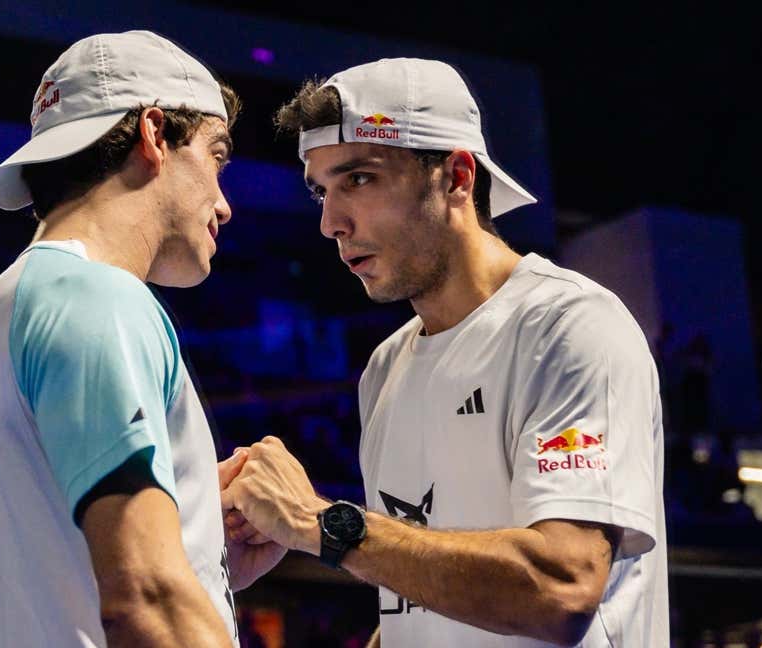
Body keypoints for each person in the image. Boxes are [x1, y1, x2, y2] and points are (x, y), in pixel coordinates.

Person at [220, 58, 668, 646]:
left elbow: (561, 586)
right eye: (321, 192)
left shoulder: (570, 327)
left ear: (457, 176)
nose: (331, 222)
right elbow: (417, 612)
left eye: (358, 179)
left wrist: (317, 524)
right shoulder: (383, 370)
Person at [0, 30, 284, 647]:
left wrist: (195, 537)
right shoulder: (96, 297)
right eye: (216, 155)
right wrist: (167, 572)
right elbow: (144, 597)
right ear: (153, 135)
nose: (224, 204)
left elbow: (51, 571)